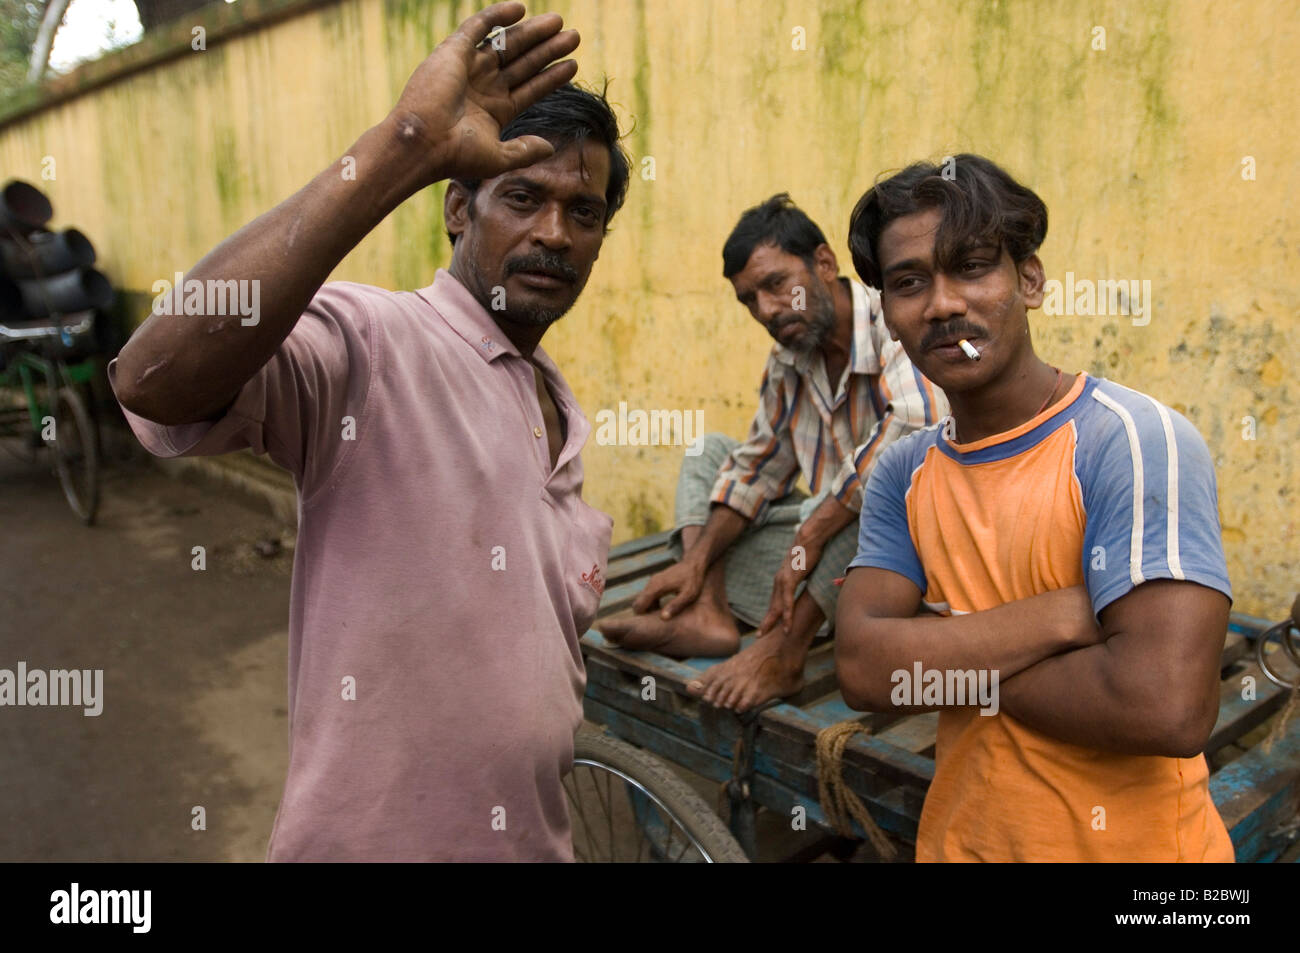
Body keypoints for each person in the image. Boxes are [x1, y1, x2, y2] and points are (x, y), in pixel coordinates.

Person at [111, 2, 630, 861]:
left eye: (584, 212)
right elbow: (152, 377)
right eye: (524, 197)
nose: (553, 233)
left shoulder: (557, 413)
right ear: (457, 212)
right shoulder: (374, 342)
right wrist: (408, 142)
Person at [835, 154, 1235, 861]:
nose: (942, 303)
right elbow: (866, 672)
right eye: (908, 282)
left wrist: (945, 647)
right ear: (888, 316)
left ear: (1031, 280)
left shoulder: (1132, 441)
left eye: (973, 266)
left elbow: (1165, 706)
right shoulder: (903, 471)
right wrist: (1062, 616)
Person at [599, 194, 946, 713]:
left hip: (901, 569)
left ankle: (785, 650)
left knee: (883, 490)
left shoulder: (891, 320)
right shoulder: (790, 359)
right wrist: (696, 562)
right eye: (748, 300)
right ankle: (708, 607)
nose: (765, 310)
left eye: (776, 284)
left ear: (824, 264)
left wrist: (813, 531)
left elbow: (919, 428)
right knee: (709, 451)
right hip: (820, 568)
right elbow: (755, 472)